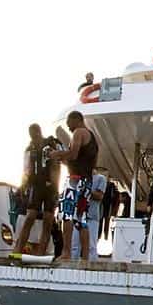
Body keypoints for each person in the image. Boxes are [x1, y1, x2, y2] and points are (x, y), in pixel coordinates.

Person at [50, 111, 99, 260]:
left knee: (67, 215)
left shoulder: (79, 132)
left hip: (75, 180)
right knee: (81, 219)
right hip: (86, 180)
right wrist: (64, 160)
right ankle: (85, 257)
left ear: (76, 120)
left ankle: (66, 253)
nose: (69, 129)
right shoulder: (93, 139)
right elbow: (81, 160)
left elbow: (73, 155)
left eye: (69, 124)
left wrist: (57, 154)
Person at [13, 124, 62, 255]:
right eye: (32, 135)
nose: (34, 137)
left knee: (48, 220)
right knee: (30, 217)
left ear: (39, 132)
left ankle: (41, 252)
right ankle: (18, 249)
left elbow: (56, 167)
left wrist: (56, 188)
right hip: (36, 186)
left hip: (50, 188)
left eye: (35, 134)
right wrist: (23, 187)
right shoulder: (30, 149)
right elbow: (26, 169)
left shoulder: (50, 146)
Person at [71, 168, 110, 260]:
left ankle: (91, 266)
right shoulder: (79, 178)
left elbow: (100, 196)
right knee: (74, 245)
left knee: (91, 246)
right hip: (78, 215)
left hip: (92, 215)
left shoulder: (101, 179)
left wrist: (86, 190)